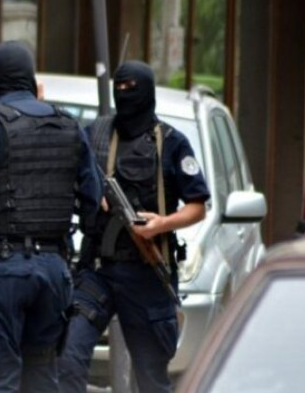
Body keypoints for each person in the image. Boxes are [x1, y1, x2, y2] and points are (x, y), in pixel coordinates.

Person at [0, 40, 101, 392]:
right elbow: (93, 203)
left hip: (0, 273)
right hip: (54, 273)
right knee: (41, 378)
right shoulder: (70, 126)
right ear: (31, 79)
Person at [57, 60, 210, 393]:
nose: (124, 94)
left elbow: (198, 206)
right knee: (68, 357)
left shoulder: (172, 143)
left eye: (131, 88)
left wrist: (161, 224)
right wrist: (92, 193)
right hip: (98, 269)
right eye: (119, 88)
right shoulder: (96, 134)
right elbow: (69, 178)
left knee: (151, 379)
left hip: (146, 273)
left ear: (148, 91)